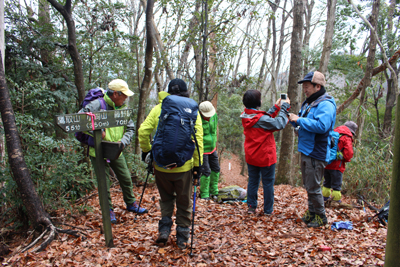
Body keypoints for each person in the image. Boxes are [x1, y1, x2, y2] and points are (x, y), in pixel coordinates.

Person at [138, 78, 203, 249]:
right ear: (185, 92)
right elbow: (198, 141)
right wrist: (198, 165)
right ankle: (182, 238)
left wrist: (147, 151)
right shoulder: (191, 110)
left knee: (166, 199)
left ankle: (164, 232)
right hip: (183, 166)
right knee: (184, 201)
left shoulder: (159, 108)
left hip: (160, 165)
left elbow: (143, 131)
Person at [79, 79, 148, 224]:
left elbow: (130, 128)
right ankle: (108, 211)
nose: (126, 98)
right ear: (115, 94)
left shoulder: (122, 108)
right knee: (104, 183)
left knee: (126, 178)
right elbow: (78, 121)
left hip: (116, 150)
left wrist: (123, 142)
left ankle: (131, 204)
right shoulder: (97, 105)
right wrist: (95, 132)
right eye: (124, 95)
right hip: (97, 151)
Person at [289, 71, 336, 228]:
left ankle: (321, 216)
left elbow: (322, 126)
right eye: (304, 87)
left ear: (318, 86)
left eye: (307, 87)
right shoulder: (309, 103)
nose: (305, 90)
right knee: (309, 185)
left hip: (317, 151)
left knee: (314, 186)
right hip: (306, 149)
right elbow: (305, 124)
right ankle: (312, 212)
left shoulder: (326, 104)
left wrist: (300, 119)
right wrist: (294, 120)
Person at [240, 89, 290, 215]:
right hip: (265, 157)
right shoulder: (260, 119)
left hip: (252, 156)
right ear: (258, 102)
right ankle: (268, 211)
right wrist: (284, 107)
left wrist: (276, 107)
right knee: (267, 183)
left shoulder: (246, 116)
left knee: (253, 181)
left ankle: (251, 207)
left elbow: (263, 119)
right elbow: (279, 124)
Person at [322, 121, 357, 203]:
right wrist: (345, 159)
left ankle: (324, 199)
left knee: (327, 183)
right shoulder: (346, 137)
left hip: (326, 163)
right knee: (336, 185)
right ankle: (336, 202)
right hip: (337, 166)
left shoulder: (333, 132)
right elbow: (348, 154)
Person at [198, 101, 220, 200]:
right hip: (202, 150)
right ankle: (204, 194)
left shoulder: (214, 116)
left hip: (212, 148)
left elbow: (214, 130)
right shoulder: (197, 118)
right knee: (206, 172)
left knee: (216, 169)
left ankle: (214, 191)